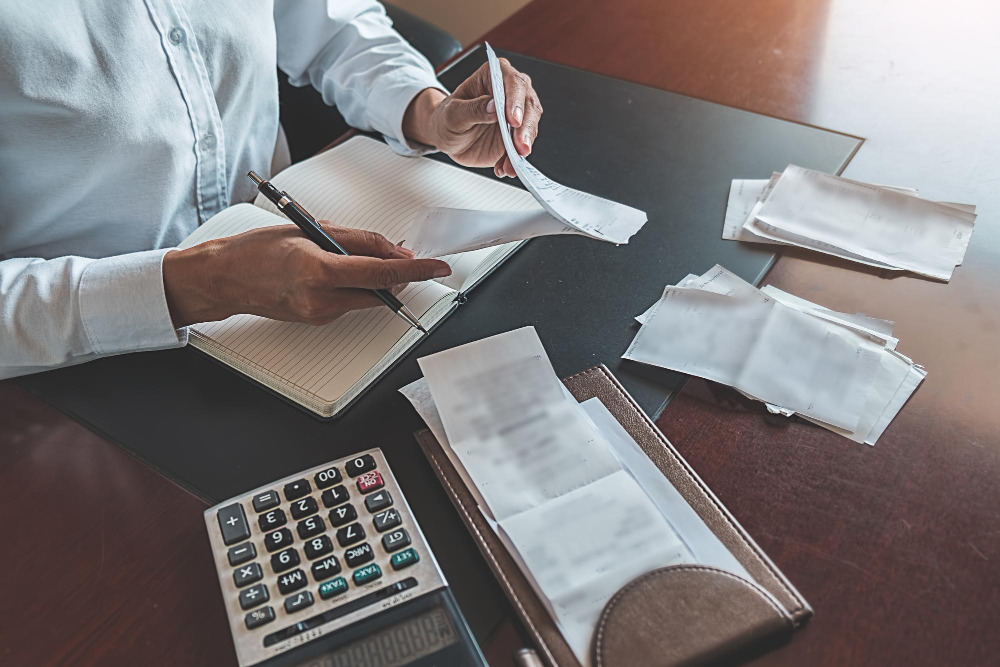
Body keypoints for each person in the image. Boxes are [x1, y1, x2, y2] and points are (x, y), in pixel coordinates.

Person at [0, 1, 542, 379]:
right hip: (78, 348)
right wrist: (204, 283)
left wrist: (429, 112)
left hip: (291, 260)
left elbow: (333, 27)